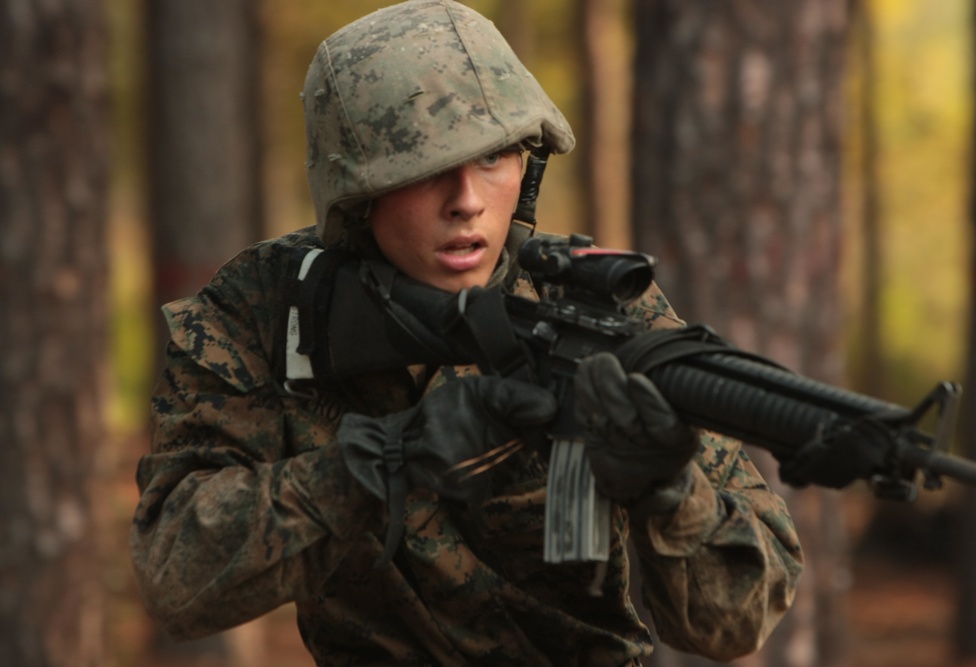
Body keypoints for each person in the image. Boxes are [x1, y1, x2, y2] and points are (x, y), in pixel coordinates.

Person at [130, 1, 803, 664]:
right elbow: (174, 575)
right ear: (355, 196)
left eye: (492, 158)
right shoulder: (267, 309)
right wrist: (383, 463)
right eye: (423, 168)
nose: (467, 201)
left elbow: (740, 614)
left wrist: (668, 490)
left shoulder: (594, 308)